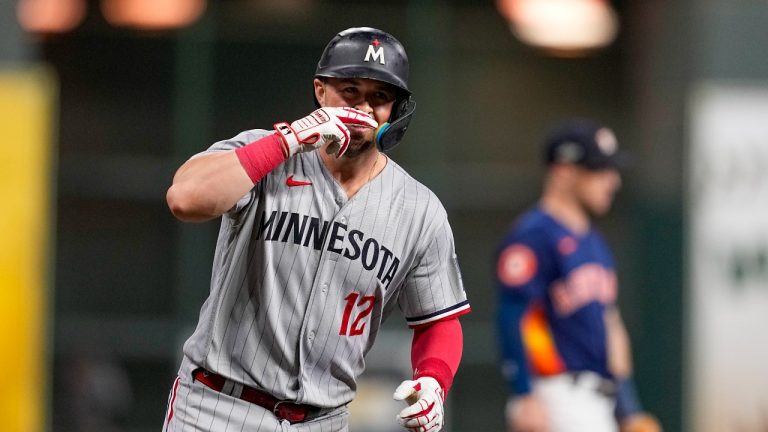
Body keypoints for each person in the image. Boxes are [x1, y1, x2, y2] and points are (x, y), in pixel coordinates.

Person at [162, 27, 470, 432]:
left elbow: (438, 320)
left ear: (395, 110)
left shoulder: (420, 211)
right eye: (350, 90)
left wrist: (434, 380)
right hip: (217, 407)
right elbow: (185, 198)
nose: (363, 108)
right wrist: (287, 140)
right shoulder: (264, 153)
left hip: (322, 421)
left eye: (379, 97)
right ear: (320, 92)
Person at [494, 119, 661, 432]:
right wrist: (524, 394)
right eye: (600, 170)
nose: (612, 181)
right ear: (564, 171)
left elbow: (610, 326)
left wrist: (629, 410)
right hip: (555, 395)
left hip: (599, 402)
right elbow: (515, 316)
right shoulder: (532, 236)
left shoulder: (594, 242)